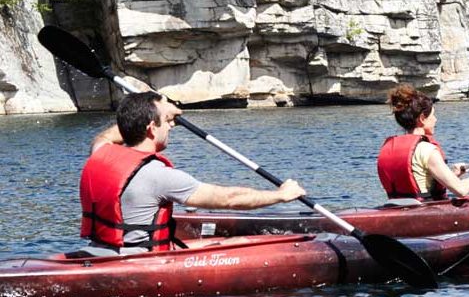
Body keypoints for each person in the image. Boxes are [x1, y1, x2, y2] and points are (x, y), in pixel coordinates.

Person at [79, 91, 305, 254]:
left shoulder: (100, 153)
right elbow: (229, 199)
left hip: (100, 251)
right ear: (151, 128)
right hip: (139, 259)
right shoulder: (160, 176)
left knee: (220, 242)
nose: (171, 126)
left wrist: (137, 117)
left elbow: (105, 137)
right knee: (237, 244)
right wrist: (281, 195)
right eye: (166, 121)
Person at [376, 84, 469, 200]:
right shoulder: (427, 150)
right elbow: (461, 190)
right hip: (422, 212)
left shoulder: (388, 147)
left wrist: (453, 175)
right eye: (433, 115)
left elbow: (421, 181)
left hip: (397, 209)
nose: (435, 119)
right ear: (422, 118)